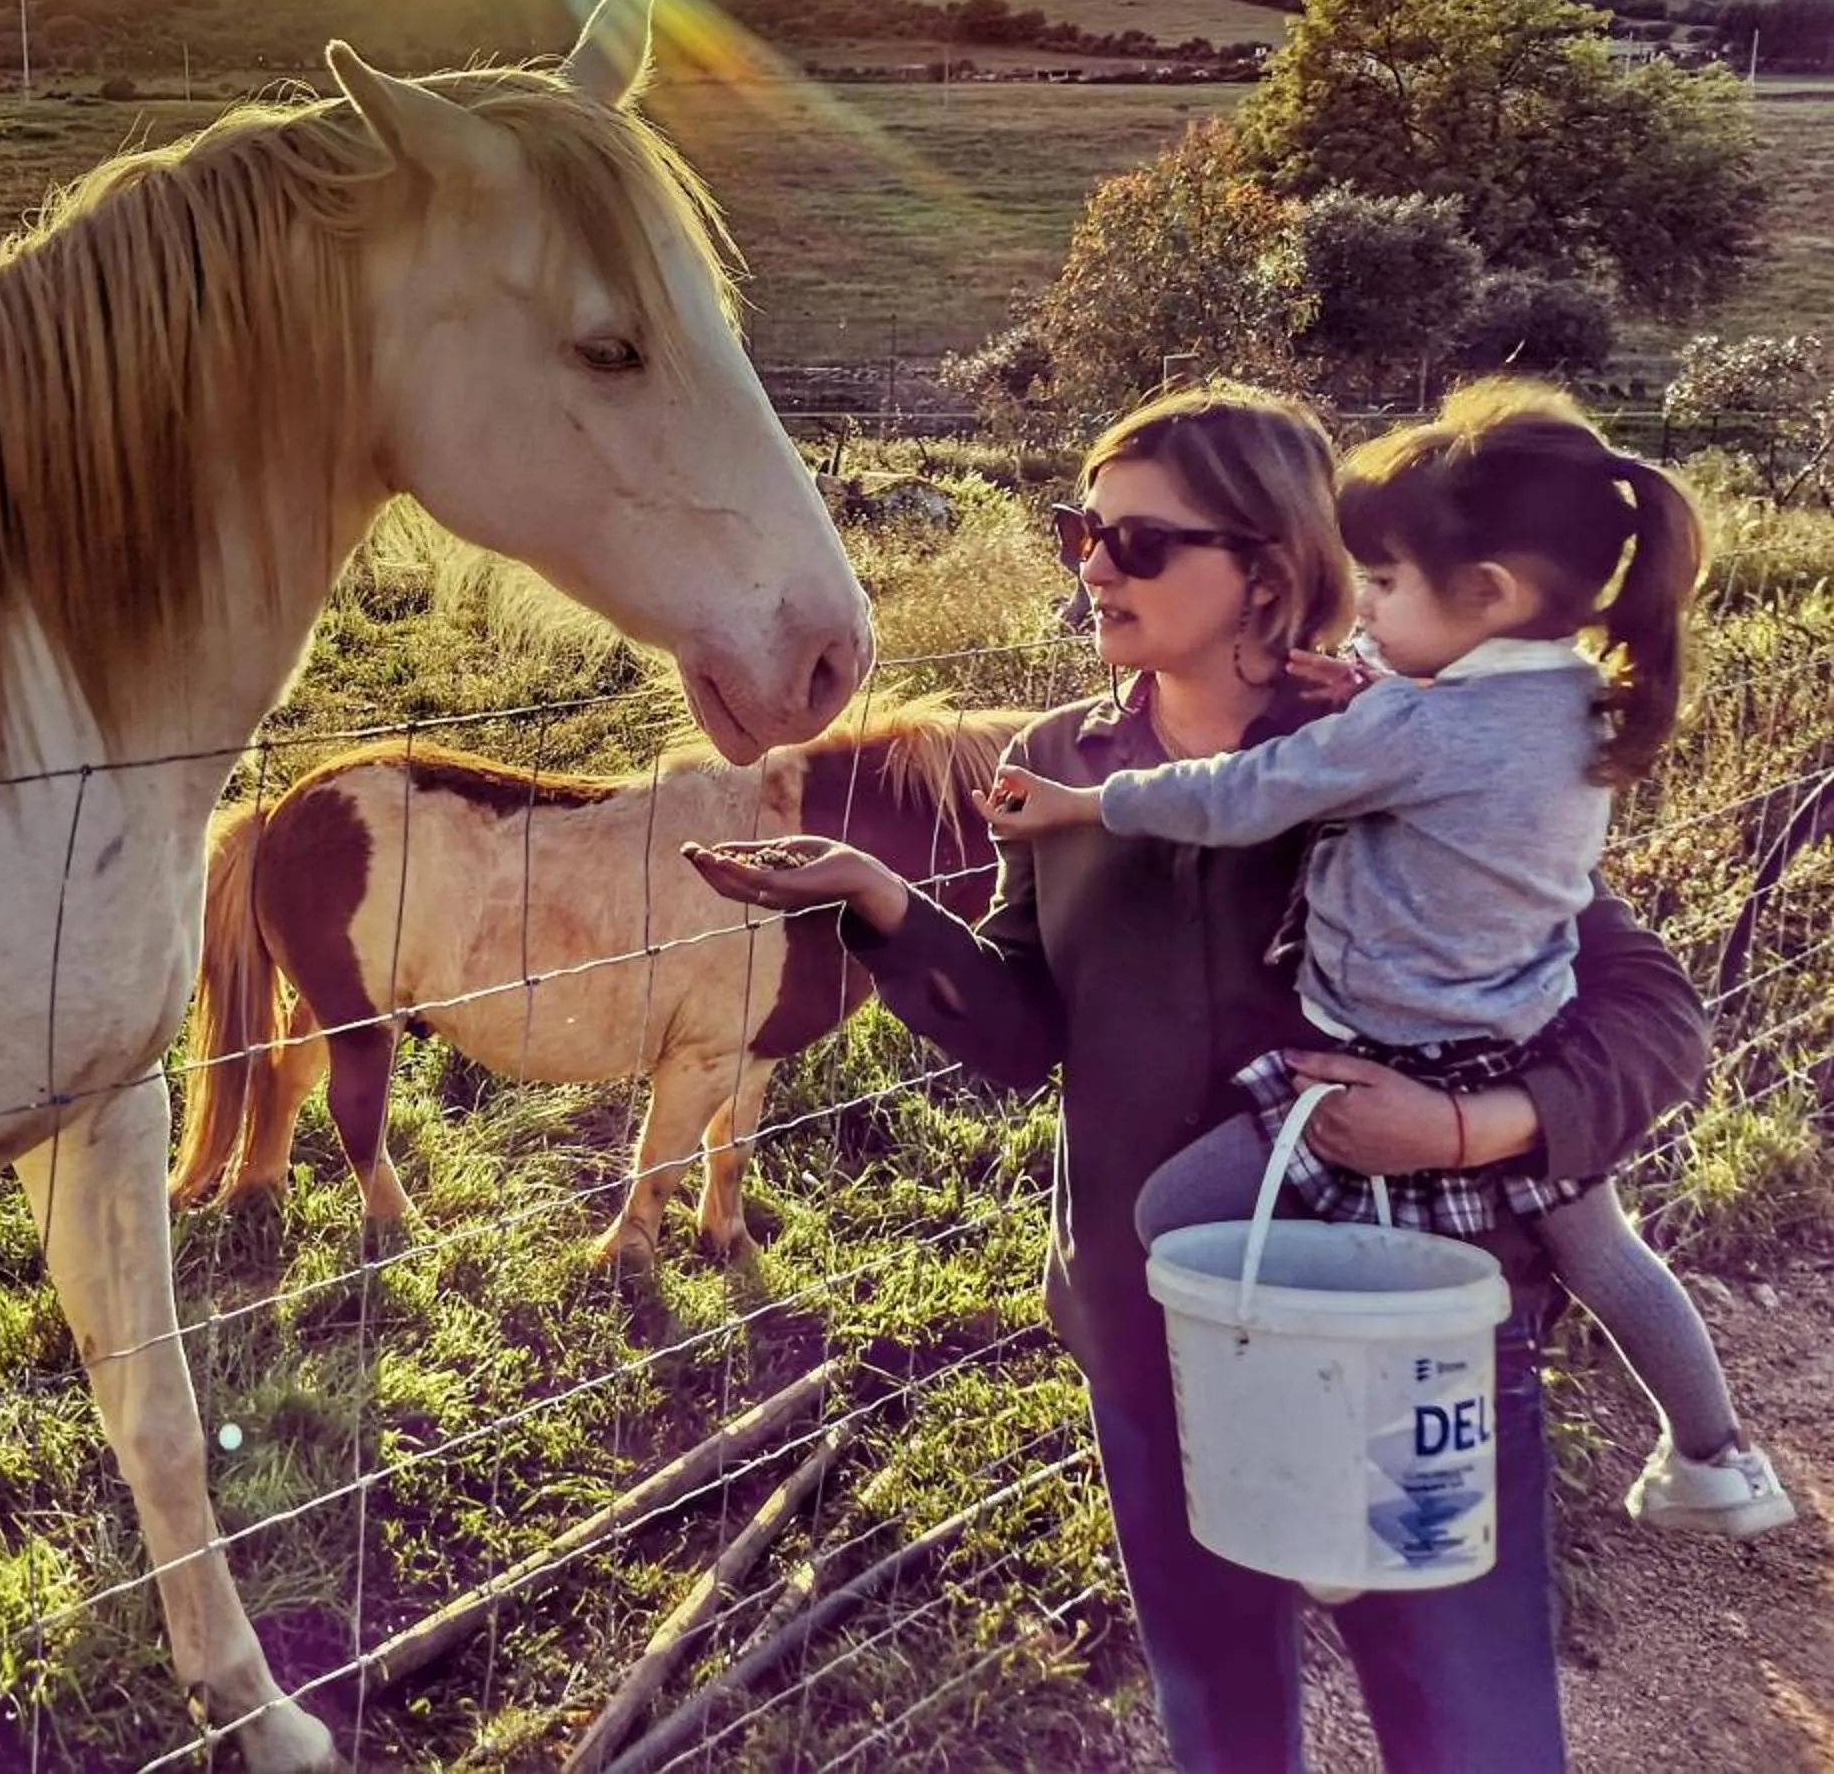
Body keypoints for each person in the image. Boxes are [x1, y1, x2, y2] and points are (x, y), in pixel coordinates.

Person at [685, 383, 1709, 1774]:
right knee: (1224, 1730)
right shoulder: (1056, 766)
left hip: (1400, 1331)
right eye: (1079, 531)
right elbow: (1024, 1032)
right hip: (1152, 1327)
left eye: (1140, 541)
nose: (1094, 565)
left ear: (1268, 568)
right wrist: (877, 905)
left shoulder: (1399, 742)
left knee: (1472, 1736)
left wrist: (1474, 1125)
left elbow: (1648, 1013)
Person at [992, 380, 1790, 1540]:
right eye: (1085, 534)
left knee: (1182, 1213)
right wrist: (1377, 687)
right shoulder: (1575, 697)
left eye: (1383, 585)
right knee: (1610, 1255)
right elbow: (1455, 743)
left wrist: (1088, 801)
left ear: (1486, 595)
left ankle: (1296, 1472)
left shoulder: (1403, 730)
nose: (1360, 616)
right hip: (1521, 1033)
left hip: (1380, 1059)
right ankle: (1717, 1456)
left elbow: (1250, 792)